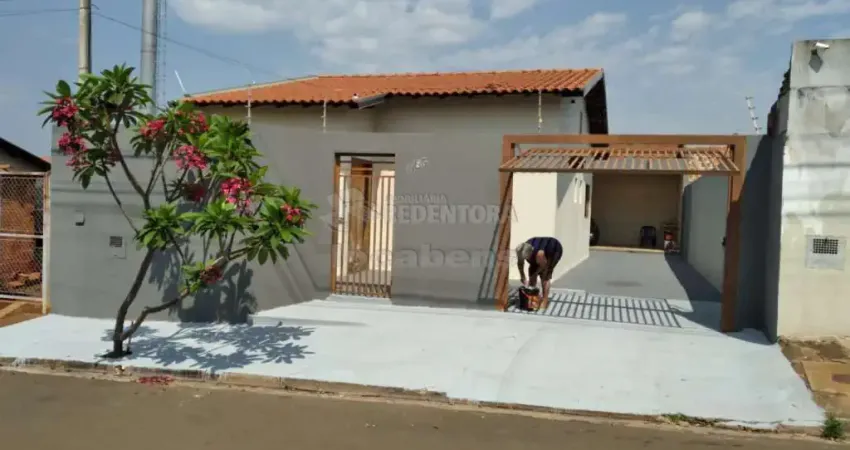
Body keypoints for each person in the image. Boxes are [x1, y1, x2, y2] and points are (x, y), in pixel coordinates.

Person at [515, 237, 563, 310]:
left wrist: (535, 274)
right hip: (538, 248)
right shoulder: (521, 249)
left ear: (530, 254)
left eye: (525, 258)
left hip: (554, 249)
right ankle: (534, 296)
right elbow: (520, 263)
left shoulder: (540, 254)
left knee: (545, 276)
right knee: (531, 271)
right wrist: (522, 277)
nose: (524, 259)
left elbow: (543, 266)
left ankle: (545, 300)